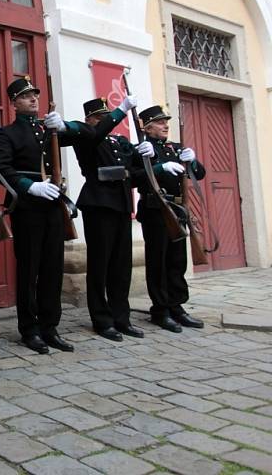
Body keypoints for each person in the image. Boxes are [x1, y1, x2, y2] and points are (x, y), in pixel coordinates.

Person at [0, 77, 82, 354]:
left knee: (53, 269)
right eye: (26, 96)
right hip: (28, 208)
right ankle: (29, 329)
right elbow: (2, 168)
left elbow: (90, 134)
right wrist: (29, 185)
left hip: (53, 207)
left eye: (35, 95)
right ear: (14, 102)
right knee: (29, 269)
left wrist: (65, 125)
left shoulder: (48, 129)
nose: (33, 99)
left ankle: (49, 327)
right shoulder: (6, 134)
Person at [71, 96, 154, 341]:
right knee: (100, 264)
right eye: (100, 117)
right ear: (90, 120)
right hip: (98, 204)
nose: (106, 121)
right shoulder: (86, 136)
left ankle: (121, 317)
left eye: (107, 117)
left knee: (121, 266)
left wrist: (147, 153)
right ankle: (102, 319)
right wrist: (120, 111)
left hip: (121, 205)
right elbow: (98, 134)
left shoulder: (120, 141)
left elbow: (136, 173)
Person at [137, 105, 206, 332]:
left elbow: (200, 174)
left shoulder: (176, 147)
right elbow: (135, 178)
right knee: (159, 260)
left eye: (166, 121)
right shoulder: (143, 149)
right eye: (159, 122)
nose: (165, 125)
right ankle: (161, 310)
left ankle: (177, 307)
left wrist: (192, 161)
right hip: (156, 209)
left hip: (177, 208)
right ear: (146, 127)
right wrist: (157, 166)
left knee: (177, 261)